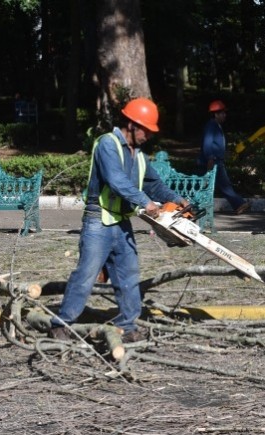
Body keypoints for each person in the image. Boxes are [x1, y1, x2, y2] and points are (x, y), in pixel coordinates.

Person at [49, 97, 191, 343]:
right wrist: (144, 202)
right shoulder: (108, 144)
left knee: (128, 274)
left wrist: (177, 200)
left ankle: (126, 326)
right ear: (131, 124)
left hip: (122, 223)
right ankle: (60, 325)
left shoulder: (139, 156)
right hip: (98, 221)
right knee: (86, 274)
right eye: (146, 129)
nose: (148, 135)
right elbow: (116, 180)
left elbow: (154, 185)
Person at [197, 100, 250, 214]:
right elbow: (207, 143)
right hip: (212, 161)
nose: (225, 115)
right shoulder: (212, 125)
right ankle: (239, 204)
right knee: (222, 184)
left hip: (215, 160)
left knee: (208, 185)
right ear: (216, 114)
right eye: (222, 113)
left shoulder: (215, 125)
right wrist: (210, 158)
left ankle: (195, 206)